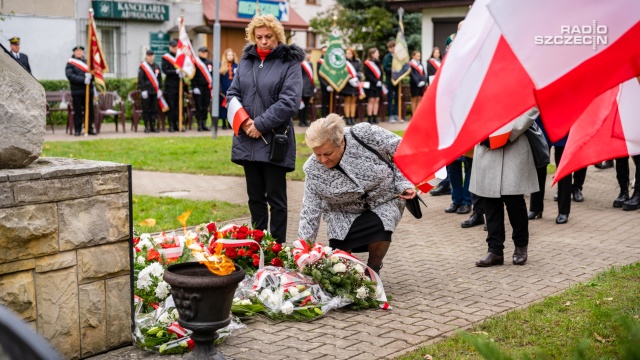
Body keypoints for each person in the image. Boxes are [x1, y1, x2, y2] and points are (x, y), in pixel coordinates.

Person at [298, 114, 416, 274]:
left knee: (381, 228)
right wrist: (304, 252)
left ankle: (373, 270)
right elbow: (309, 212)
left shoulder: (363, 134)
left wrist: (403, 183)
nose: (323, 160)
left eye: (327, 154)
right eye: (317, 155)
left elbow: (401, 149)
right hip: (342, 211)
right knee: (339, 266)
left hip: (383, 199)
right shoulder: (313, 170)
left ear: (341, 142)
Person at [226, 14, 304, 243]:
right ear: (252, 36)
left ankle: (277, 249)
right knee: (255, 199)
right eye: (258, 37)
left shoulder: (289, 62)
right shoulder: (246, 60)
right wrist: (245, 121)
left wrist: (260, 124)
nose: (263, 41)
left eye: (268, 36)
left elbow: (289, 102)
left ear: (277, 35)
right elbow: (233, 94)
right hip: (247, 140)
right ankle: (257, 246)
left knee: (277, 201)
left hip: (274, 140)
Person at [470, 107, 540, 267]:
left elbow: (532, 107)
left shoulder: (521, 81)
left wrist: (510, 132)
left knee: (514, 200)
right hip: (485, 141)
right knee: (490, 201)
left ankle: (521, 246)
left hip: (514, 142)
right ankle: (494, 250)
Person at [528, 118, 585, 224]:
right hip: (542, 120)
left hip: (562, 119)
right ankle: (535, 208)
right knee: (539, 166)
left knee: (564, 168)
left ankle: (564, 211)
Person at [65, 45, 96, 136]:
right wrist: (83, 79)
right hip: (77, 91)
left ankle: (89, 128)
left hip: (88, 91)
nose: (79, 52)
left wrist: (91, 77)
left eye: (80, 51)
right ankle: (77, 129)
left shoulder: (87, 62)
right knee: (78, 111)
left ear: (83, 52)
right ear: (74, 53)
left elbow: (94, 74)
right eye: (77, 51)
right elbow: (70, 76)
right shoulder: (70, 63)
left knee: (89, 111)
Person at [162, 39, 187, 132]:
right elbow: (165, 70)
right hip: (170, 85)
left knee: (179, 105)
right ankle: (171, 125)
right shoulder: (166, 57)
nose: (174, 48)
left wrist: (183, 73)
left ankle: (178, 124)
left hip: (179, 84)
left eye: (175, 46)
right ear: (169, 47)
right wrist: (175, 72)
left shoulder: (180, 57)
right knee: (172, 106)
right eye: (172, 46)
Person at [137, 49, 163, 133]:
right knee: (146, 110)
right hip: (146, 92)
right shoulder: (143, 67)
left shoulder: (156, 66)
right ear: (146, 56)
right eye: (149, 55)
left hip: (154, 92)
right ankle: (146, 126)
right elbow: (141, 79)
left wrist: (160, 89)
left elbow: (159, 79)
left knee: (154, 110)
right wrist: (143, 90)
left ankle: (153, 126)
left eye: (152, 55)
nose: (150, 57)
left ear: (154, 56)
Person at [192, 47, 212, 132]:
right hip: (198, 87)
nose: (204, 53)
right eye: (202, 52)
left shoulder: (209, 62)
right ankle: (199, 124)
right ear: (199, 52)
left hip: (207, 87)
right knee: (199, 106)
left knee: (205, 106)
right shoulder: (195, 62)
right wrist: (194, 86)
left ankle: (204, 123)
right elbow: (192, 75)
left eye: (205, 52)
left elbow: (212, 75)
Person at [340, 47, 361, 126]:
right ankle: (347, 118)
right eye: (346, 53)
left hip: (355, 83)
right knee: (347, 101)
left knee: (353, 101)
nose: (347, 55)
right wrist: (348, 78)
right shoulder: (343, 62)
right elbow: (341, 73)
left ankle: (352, 117)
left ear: (353, 54)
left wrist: (356, 78)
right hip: (347, 84)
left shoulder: (357, 62)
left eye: (349, 53)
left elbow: (359, 72)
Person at [219, 48, 238, 131]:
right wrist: (219, 89)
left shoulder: (236, 66)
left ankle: (230, 123)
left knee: (232, 107)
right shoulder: (222, 66)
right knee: (223, 107)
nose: (230, 57)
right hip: (223, 90)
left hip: (233, 90)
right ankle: (223, 123)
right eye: (228, 55)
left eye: (231, 55)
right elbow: (218, 79)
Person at [363, 47, 383, 124]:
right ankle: (369, 117)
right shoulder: (367, 63)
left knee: (377, 100)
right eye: (376, 53)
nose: (378, 54)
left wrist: (380, 81)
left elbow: (381, 72)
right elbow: (367, 74)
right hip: (371, 84)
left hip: (378, 84)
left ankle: (375, 116)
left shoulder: (378, 62)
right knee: (371, 100)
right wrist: (375, 81)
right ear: (372, 54)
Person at [382, 41, 399, 123]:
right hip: (390, 80)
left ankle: (396, 114)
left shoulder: (398, 57)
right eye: (390, 47)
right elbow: (385, 68)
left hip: (398, 80)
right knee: (390, 98)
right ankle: (391, 115)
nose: (391, 49)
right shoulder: (387, 57)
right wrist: (393, 70)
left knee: (397, 98)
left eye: (393, 47)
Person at [299, 49, 315, 127]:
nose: (309, 55)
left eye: (310, 54)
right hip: (303, 87)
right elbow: (299, 76)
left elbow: (312, 76)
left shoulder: (311, 64)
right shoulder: (301, 64)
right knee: (302, 105)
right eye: (308, 54)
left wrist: (313, 87)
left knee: (306, 105)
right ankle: (301, 121)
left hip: (309, 87)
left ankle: (305, 121)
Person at [408, 50, 427, 117]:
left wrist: (423, 81)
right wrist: (417, 82)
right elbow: (412, 74)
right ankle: (414, 115)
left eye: (419, 56)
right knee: (414, 99)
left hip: (421, 84)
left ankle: (418, 114)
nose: (419, 57)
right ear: (413, 56)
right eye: (418, 56)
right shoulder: (410, 64)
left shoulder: (420, 63)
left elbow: (423, 73)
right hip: (414, 84)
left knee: (420, 98)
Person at [317, 46, 332, 116]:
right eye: (323, 52)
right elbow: (319, 75)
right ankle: (324, 118)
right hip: (324, 86)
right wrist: (326, 85)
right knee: (324, 103)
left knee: (331, 103)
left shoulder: (332, 61)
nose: (325, 53)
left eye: (326, 52)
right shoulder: (320, 61)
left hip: (332, 85)